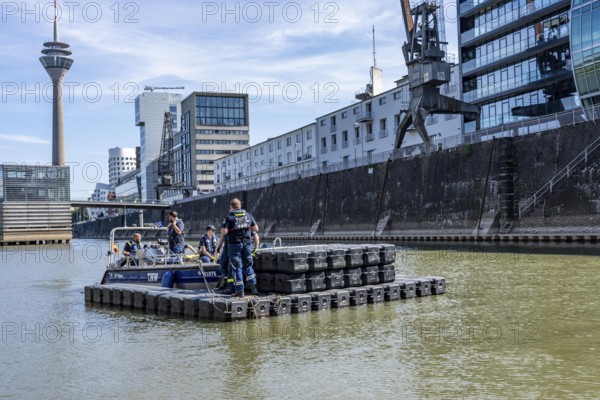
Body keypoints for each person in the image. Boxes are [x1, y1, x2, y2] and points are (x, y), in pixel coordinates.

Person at [219, 198, 258, 296]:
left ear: (231, 206)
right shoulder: (248, 215)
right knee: (248, 264)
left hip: (234, 244)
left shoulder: (229, 217)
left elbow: (224, 232)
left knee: (236, 267)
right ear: (240, 205)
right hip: (247, 244)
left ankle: (240, 291)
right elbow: (256, 229)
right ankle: (253, 288)